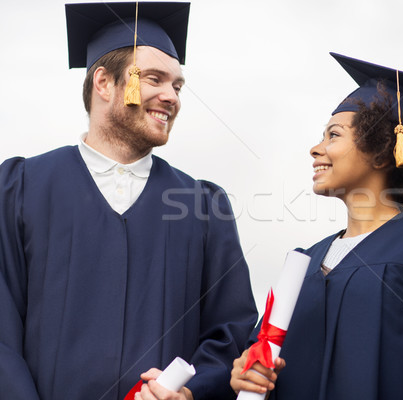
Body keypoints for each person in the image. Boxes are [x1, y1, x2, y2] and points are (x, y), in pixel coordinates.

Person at [0, 2, 257, 400]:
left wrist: (191, 392)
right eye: (154, 79)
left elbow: (229, 332)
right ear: (103, 83)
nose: (171, 96)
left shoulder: (202, 206)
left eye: (177, 86)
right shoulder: (19, 188)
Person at [230, 53, 403, 400]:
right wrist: (244, 373)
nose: (315, 149)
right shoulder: (303, 263)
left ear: (382, 151)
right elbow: (257, 359)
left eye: (332, 135)